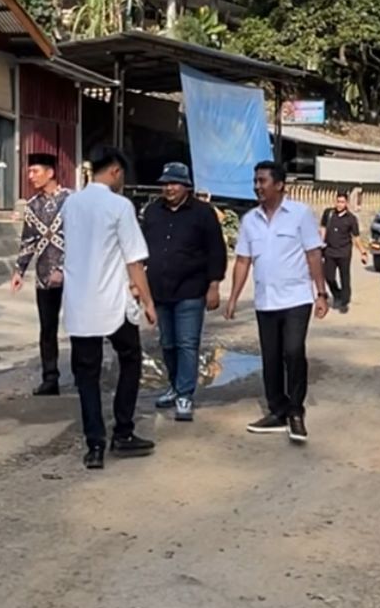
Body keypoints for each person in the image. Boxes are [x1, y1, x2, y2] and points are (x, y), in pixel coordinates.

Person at [61, 147, 157, 469]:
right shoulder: (120, 206)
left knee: (86, 375)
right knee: (130, 360)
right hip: (113, 303)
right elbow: (134, 261)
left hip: (80, 304)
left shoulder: (71, 204)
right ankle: (123, 432)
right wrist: (149, 302)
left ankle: (94, 446)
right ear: (115, 170)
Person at [224, 161, 330, 443]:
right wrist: (233, 298)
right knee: (270, 357)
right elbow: (243, 261)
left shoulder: (300, 214)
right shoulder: (250, 220)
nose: (257, 186)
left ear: (280, 184)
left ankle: (295, 411)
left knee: (293, 352)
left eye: (262, 181)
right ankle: (277, 410)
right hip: (266, 300)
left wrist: (321, 293)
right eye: (255, 181)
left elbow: (313, 254)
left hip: (296, 298)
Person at [143, 162, 228, 422]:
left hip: (191, 289)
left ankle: (185, 394)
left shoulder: (203, 213)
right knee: (167, 344)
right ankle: (174, 385)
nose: (169, 188)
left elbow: (216, 251)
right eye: (165, 183)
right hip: (160, 289)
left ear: (186, 186)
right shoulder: (152, 212)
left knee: (187, 343)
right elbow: (141, 248)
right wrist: (138, 285)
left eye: (174, 183)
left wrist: (214, 285)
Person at [12, 153, 72, 396]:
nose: (30, 176)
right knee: (47, 328)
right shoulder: (32, 205)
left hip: (73, 275)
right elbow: (28, 240)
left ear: (50, 173)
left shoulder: (71, 200)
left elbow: (81, 237)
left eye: (35, 171)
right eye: (29, 172)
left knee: (79, 326)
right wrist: (19, 269)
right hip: (44, 275)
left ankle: (84, 374)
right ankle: (50, 378)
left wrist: (63, 268)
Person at [320, 191, 368, 313]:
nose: (339, 204)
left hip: (344, 252)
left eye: (342, 202)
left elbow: (356, 237)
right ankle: (337, 294)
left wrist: (363, 252)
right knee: (329, 276)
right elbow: (323, 229)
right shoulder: (329, 213)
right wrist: (320, 244)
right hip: (329, 250)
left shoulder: (351, 219)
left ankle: (344, 302)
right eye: (338, 201)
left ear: (346, 203)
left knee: (344, 277)